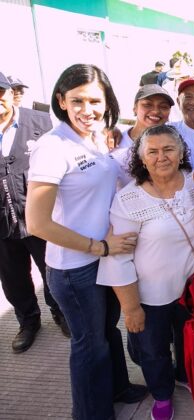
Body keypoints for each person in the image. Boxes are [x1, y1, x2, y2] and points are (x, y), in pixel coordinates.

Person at [25, 63, 146, 420]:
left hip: (103, 259)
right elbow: (37, 223)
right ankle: (91, 413)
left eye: (95, 101)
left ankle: (118, 388)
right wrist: (99, 247)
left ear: (107, 102)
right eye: (77, 101)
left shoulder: (95, 138)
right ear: (61, 101)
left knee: (106, 332)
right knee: (89, 344)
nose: (87, 109)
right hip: (74, 267)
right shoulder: (52, 147)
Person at [97, 125, 194, 420]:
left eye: (169, 149)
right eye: (153, 151)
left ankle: (184, 375)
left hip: (190, 288)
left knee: (188, 339)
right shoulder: (129, 200)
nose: (161, 157)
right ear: (142, 158)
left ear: (181, 152)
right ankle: (161, 394)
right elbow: (118, 258)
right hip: (149, 294)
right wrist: (131, 308)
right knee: (153, 351)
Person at [0, 71, 69, 353]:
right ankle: (28, 321)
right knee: (13, 279)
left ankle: (61, 313)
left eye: (0, 93)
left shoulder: (41, 122)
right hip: (3, 224)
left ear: (10, 93)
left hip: (41, 218)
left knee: (52, 271)